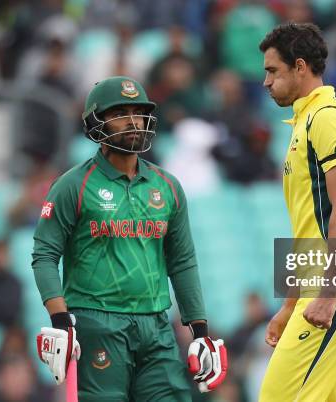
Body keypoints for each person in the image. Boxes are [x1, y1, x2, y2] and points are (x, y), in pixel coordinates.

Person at [31, 76, 227, 401]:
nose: (134, 121)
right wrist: (61, 319)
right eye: (121, 112)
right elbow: (44, 255)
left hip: (157, 325)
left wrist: (200, 332)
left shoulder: (167, 186)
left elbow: (182, 262)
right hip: (96, 323)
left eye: (139, 111)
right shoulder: (73, 185)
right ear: (97, 122)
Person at [257, 23, 336, 401]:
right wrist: (290, 303)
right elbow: (309, 226)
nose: (266, 82)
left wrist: (328, 294)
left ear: (300, 67)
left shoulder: (328, 118)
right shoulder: (306, 122)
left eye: (272, 71)